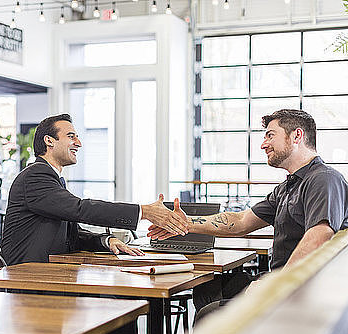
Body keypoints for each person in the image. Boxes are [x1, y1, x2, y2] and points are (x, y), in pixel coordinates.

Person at [1, 113, 189, 334]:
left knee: (119, 306)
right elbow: (79, 209)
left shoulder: (52, 179)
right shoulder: (36, 177)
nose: (79, 142)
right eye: (71, 136)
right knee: (111, 309)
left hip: (51, 279)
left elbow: (71, 232)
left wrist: (106, 241)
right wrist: (143, 211)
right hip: (31, 290)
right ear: (49, 142)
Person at [148, 109, 348, 314]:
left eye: (270, 135)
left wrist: (276, 285)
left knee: (209, 314)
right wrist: (187, 223)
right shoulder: (288, 187)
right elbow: (242, 220)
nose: (263, 144)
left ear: (297, 135)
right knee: (207, 290)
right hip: (283, 281)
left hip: (303, 291)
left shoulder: (324, 179)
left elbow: (319, 236)